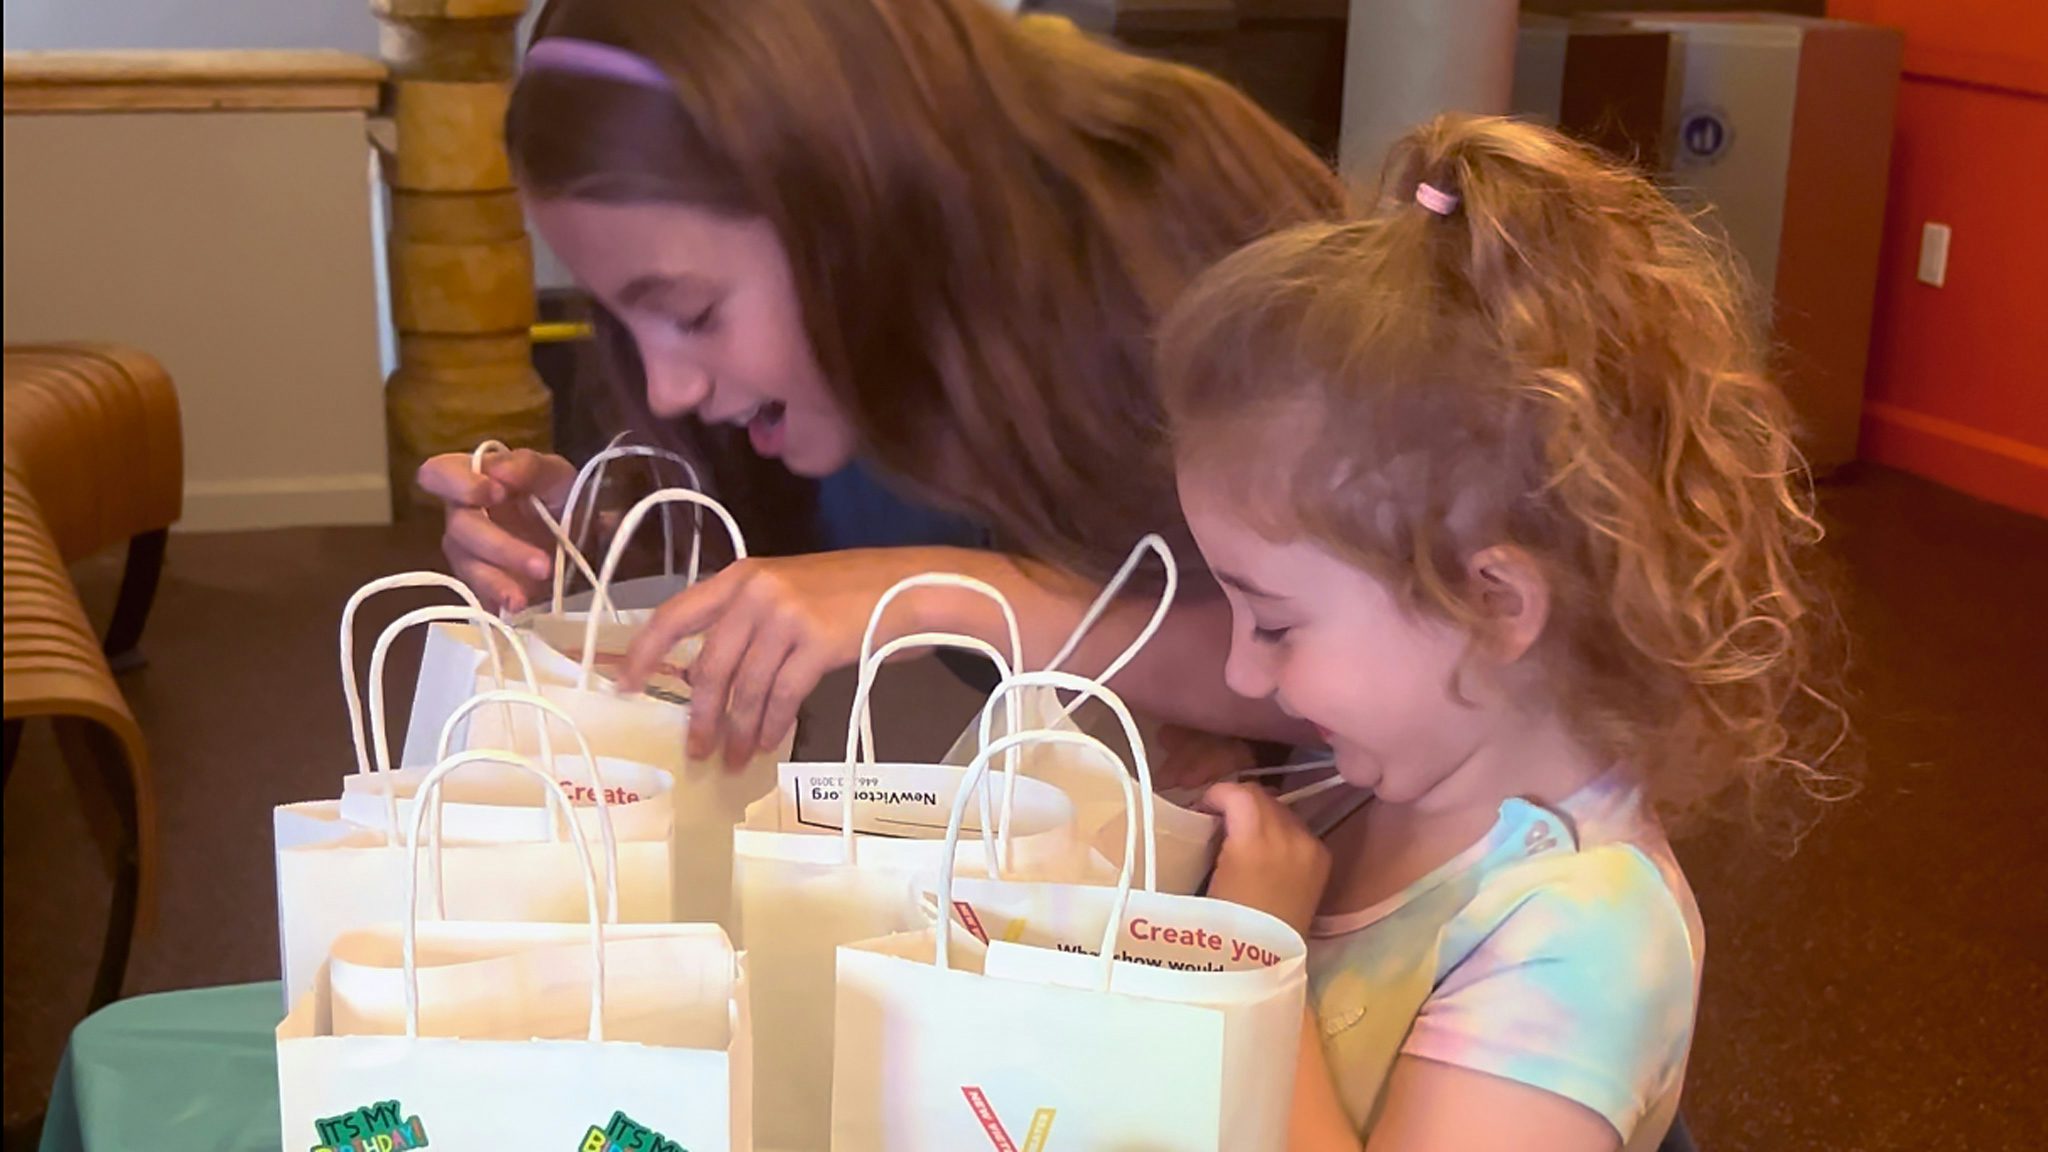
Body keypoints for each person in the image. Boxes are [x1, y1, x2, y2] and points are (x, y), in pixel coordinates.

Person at [415, 0, 1348, 769]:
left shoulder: (1179, 217)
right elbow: (794, 545)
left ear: (852, 199)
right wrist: (602, 545)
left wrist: (943, 592)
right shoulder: (823, 379)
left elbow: (1378, 684)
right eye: (624, 319)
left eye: (695, 315)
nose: (663, 388)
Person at [1159, 115, 1848, 1150]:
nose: (1238, 667)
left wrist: (1254, 957)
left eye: (1273, 620)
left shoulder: (1587, 937)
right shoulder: (1364, 789)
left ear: (1492, 605)